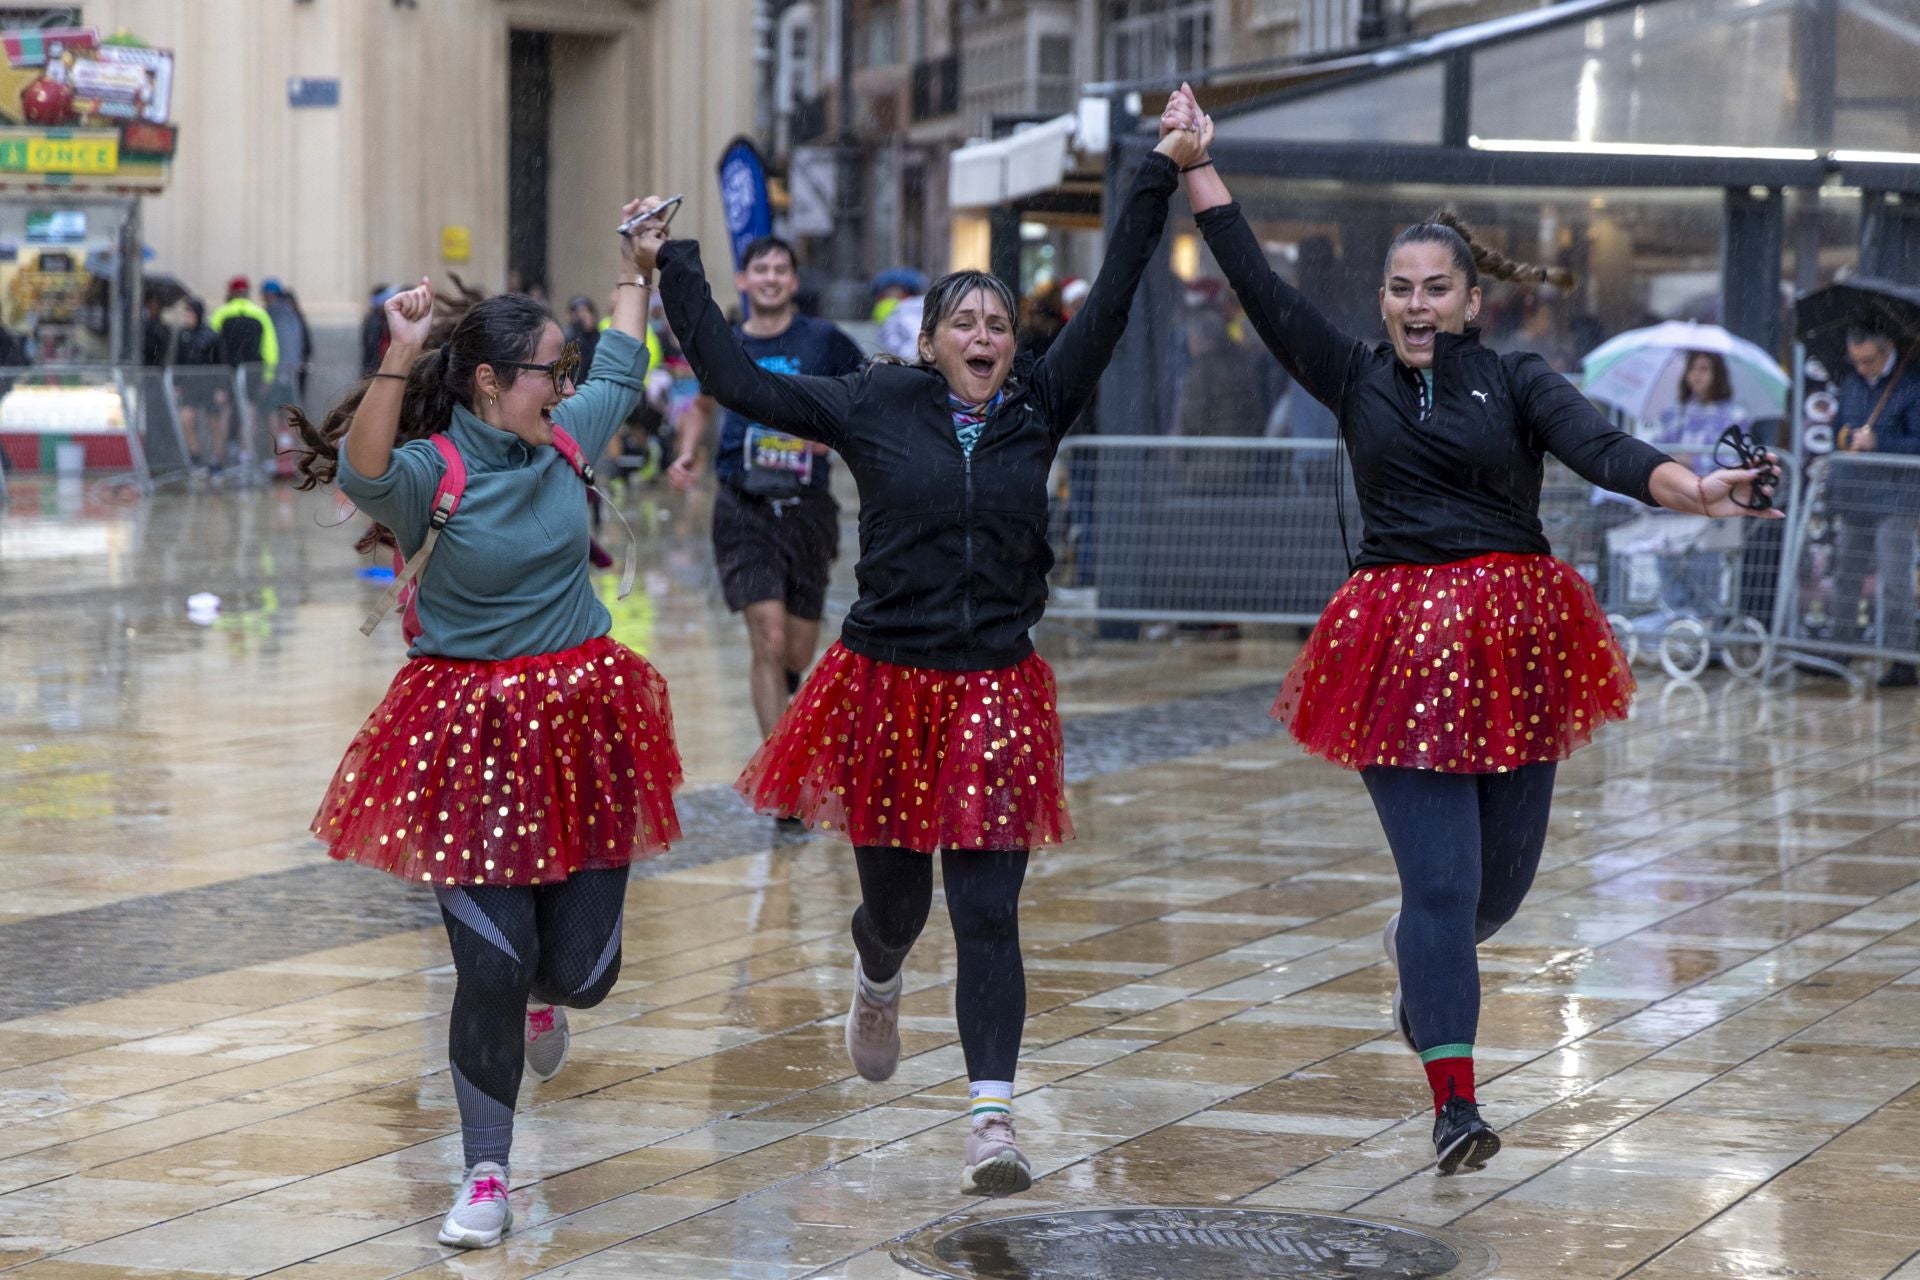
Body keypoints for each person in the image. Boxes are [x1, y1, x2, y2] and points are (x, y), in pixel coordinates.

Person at [1167, 83, 1779, 1176]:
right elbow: (1257, 287)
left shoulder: (1518, 379)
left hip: (1519, 647)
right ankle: (1455, 1100)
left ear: (1468, 301)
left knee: (1496, 892)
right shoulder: (1352, 377)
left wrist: (1696, 489)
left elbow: (1604, 448)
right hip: (1394, 651)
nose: (1412, 304)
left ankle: (1416, 955)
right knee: (1443, 882)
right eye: (1399, 288)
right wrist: (1197, 163)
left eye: (1433, 288)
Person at [651, 110, 1208, 1197]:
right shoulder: (875, 401)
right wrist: (671, 264)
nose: (986, 332)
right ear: (931, 340)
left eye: (1000, 319)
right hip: (888, 686)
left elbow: (1123, 281)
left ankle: (990, 1121)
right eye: (966, 319)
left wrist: (1159, 171)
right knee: (900, 904)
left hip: (997, 684)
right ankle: (876, 969)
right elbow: (741, 382)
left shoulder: (1041, 402)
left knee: (990, 909)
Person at [293, 197, 681, 1250]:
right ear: (489, 384)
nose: (562, 384)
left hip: (584, 718)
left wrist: (635, 265)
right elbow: (366, 469)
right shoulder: (438, 474)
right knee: (491, 967)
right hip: (467, 731)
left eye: (559, 370)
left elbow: (620, 370)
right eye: (545, 370)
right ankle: (485, 1173)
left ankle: (551, 1000)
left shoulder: (565, 439)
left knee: (580, 971)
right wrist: (398, 345)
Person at [666, 235, 865, 754]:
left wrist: (835, 439)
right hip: (742, 504)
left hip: (806, 508)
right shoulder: (727, 342)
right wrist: (688, 451)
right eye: (762, 269)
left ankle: (787, 691)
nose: (772, 277)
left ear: (793, 282)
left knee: (797, 650)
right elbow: (701, 407)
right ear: (744, 281)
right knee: (768, 637)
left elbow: (868, 399)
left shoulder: (824, 341)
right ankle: (783, 773)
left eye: (781, 269)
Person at [1827, 325, 1920, 688]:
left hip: (1895, 497)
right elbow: (1839, 426)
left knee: (1895, 579)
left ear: (1888, 351)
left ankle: (1902, 659)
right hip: (1854, 493)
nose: (1862, 368)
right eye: (1856, 361)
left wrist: (1880, 442)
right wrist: (1846, 437)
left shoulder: (1911, 385)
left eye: (1868, 361)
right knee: (1846, 576)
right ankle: (1840, 646)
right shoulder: (1851, 383)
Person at [172, 298, 226, 471]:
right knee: (186, 419)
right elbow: (178, 359)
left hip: (209, 385)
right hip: (190, 385)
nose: (187, 316)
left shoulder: (211, 335)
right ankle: (195, 455)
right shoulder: (183, 334)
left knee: (214, 423)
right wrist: (177, 383)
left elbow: (220, 362)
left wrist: (221, 388)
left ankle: (217, 458)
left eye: (190, 312)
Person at [262, 279, 313, 400]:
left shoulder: (277, 314)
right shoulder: (292, 314)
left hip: (282, 367)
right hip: (291, 366)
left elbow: (287, 342)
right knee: (288, 404)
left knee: (278, 405)